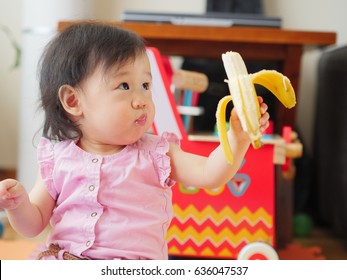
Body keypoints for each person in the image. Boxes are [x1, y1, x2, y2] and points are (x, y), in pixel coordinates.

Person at [0, 22, 270, 260]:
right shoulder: (58, 158)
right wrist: (19, 204)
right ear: (73, 101)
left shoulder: (157, 154)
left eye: (146, 85)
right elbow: (32, 225)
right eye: (124, 86)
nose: (142, 100)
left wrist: (238, 138)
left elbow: (210, 173)